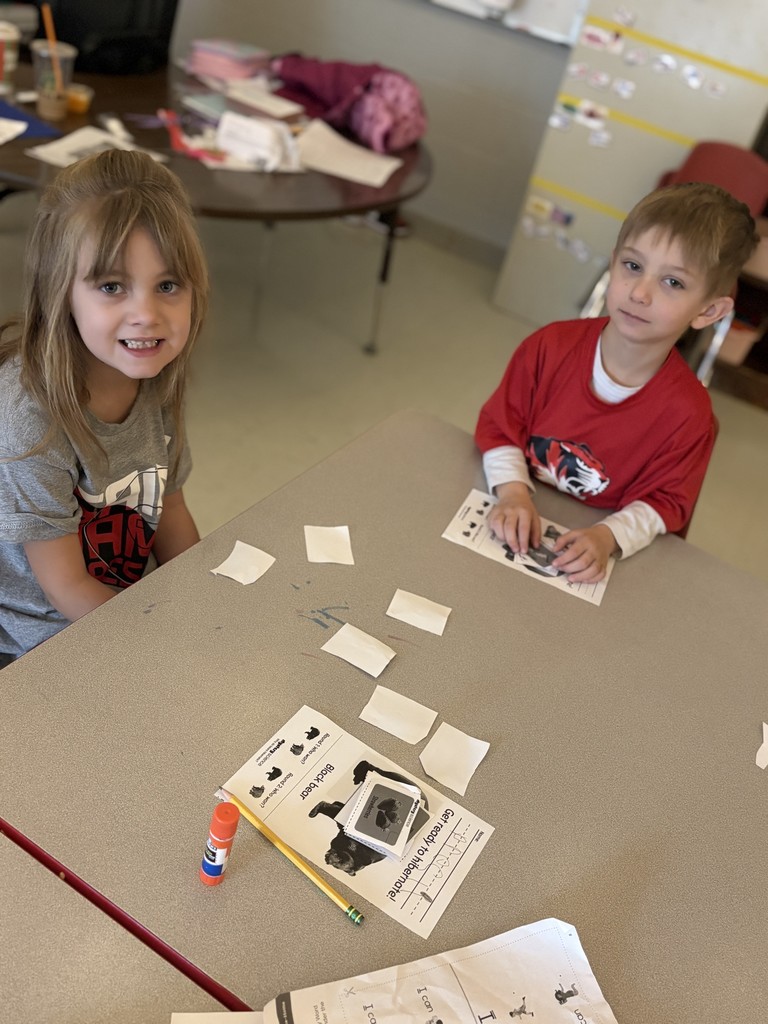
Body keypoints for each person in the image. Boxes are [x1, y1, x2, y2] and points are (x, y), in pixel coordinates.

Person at [475, 182, 759, 583]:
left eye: (673, 282)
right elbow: (500, 425)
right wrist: (512, 492)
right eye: (632, 266)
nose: (639, 293)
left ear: (709, 310)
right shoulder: (547, 348)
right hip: (517, 508)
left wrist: (607, 537)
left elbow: (664, 503)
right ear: (613, 264)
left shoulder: (689, 416)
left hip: (591, 543)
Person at [0, 149, 209, 666]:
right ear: (59, 294)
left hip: (117, 605)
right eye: (112, 286)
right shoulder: (30, 420)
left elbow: (170, 507)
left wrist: (206, 602)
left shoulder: (154, 374)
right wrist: (162, 645)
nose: (147, 315)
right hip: (36, 643)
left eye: (168, 285)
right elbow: (66, 586)